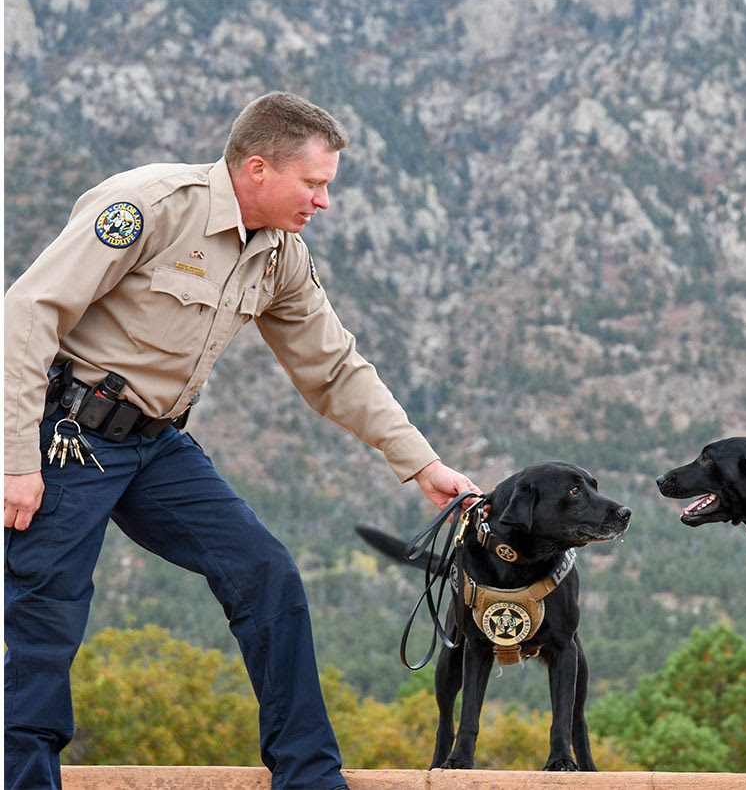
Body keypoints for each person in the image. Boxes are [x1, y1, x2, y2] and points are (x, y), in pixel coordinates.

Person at [4, 92, 480, 790]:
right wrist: (15, 460)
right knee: (47, 614)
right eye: (313, 183)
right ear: (258, 168)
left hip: (157, 445)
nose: (324, 201)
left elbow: (335, 369)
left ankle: (309, 778)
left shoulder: (280, 255)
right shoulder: (149, 207)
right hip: (68, 439)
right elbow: (26, 315)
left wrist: (423, 465)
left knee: (266, 573)